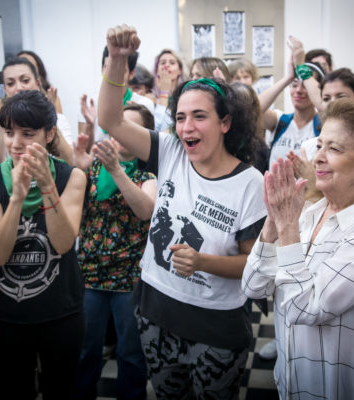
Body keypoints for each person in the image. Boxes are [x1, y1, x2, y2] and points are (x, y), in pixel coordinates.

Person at [98, 25, 266, 399]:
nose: (187, 127)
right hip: (155, 312)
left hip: (217, 327)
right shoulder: (171, 151)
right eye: (180, 117)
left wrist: (203, 262)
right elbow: (110, 120)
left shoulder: (250, 182)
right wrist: (117, 58)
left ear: (225, 123)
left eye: (200, 117)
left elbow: (253, 262)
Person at [243, 99, 354, 398]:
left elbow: (304, 307)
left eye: (335, 149)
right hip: (294, 385)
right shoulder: (309, 212)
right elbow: (252, 286)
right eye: (320, 145)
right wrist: (272, 225)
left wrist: (287, 227)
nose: (317, 159)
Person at [0, 90, 86, 399]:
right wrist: (17, 198)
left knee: (60, 391)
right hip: (6, 314)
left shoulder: (72, 177)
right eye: (9, 133)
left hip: (61, 310)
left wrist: (48, 188)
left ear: (50, 134)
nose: (16, 143)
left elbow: (63, 243)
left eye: (28, 133)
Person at [74, 103, 156, 400]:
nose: (120, 136)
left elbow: (145, 210)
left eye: (128, 129)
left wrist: (116, 170)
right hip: (89, 274)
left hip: (130, 277)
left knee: (131, 354)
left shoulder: (149, 172)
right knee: (85, 350)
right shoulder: (95, 164)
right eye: (116, 128)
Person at [0, 57, 74, 167]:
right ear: (5, 90)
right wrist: (2, 123)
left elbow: (69, 162)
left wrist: (49, 117)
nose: (19, 88)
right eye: (10, 83)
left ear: (38, 84)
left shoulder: (59, 120)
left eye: (25, 80)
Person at [78, 46, 156, 147]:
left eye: (120, 71)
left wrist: (133, 122)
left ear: (131, 74)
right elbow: (83, 153)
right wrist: (90, 126)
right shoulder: (90, 104)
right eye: (109, 68)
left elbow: (146, 150)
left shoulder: (143, 105)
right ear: (102, 69)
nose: (112, 76)